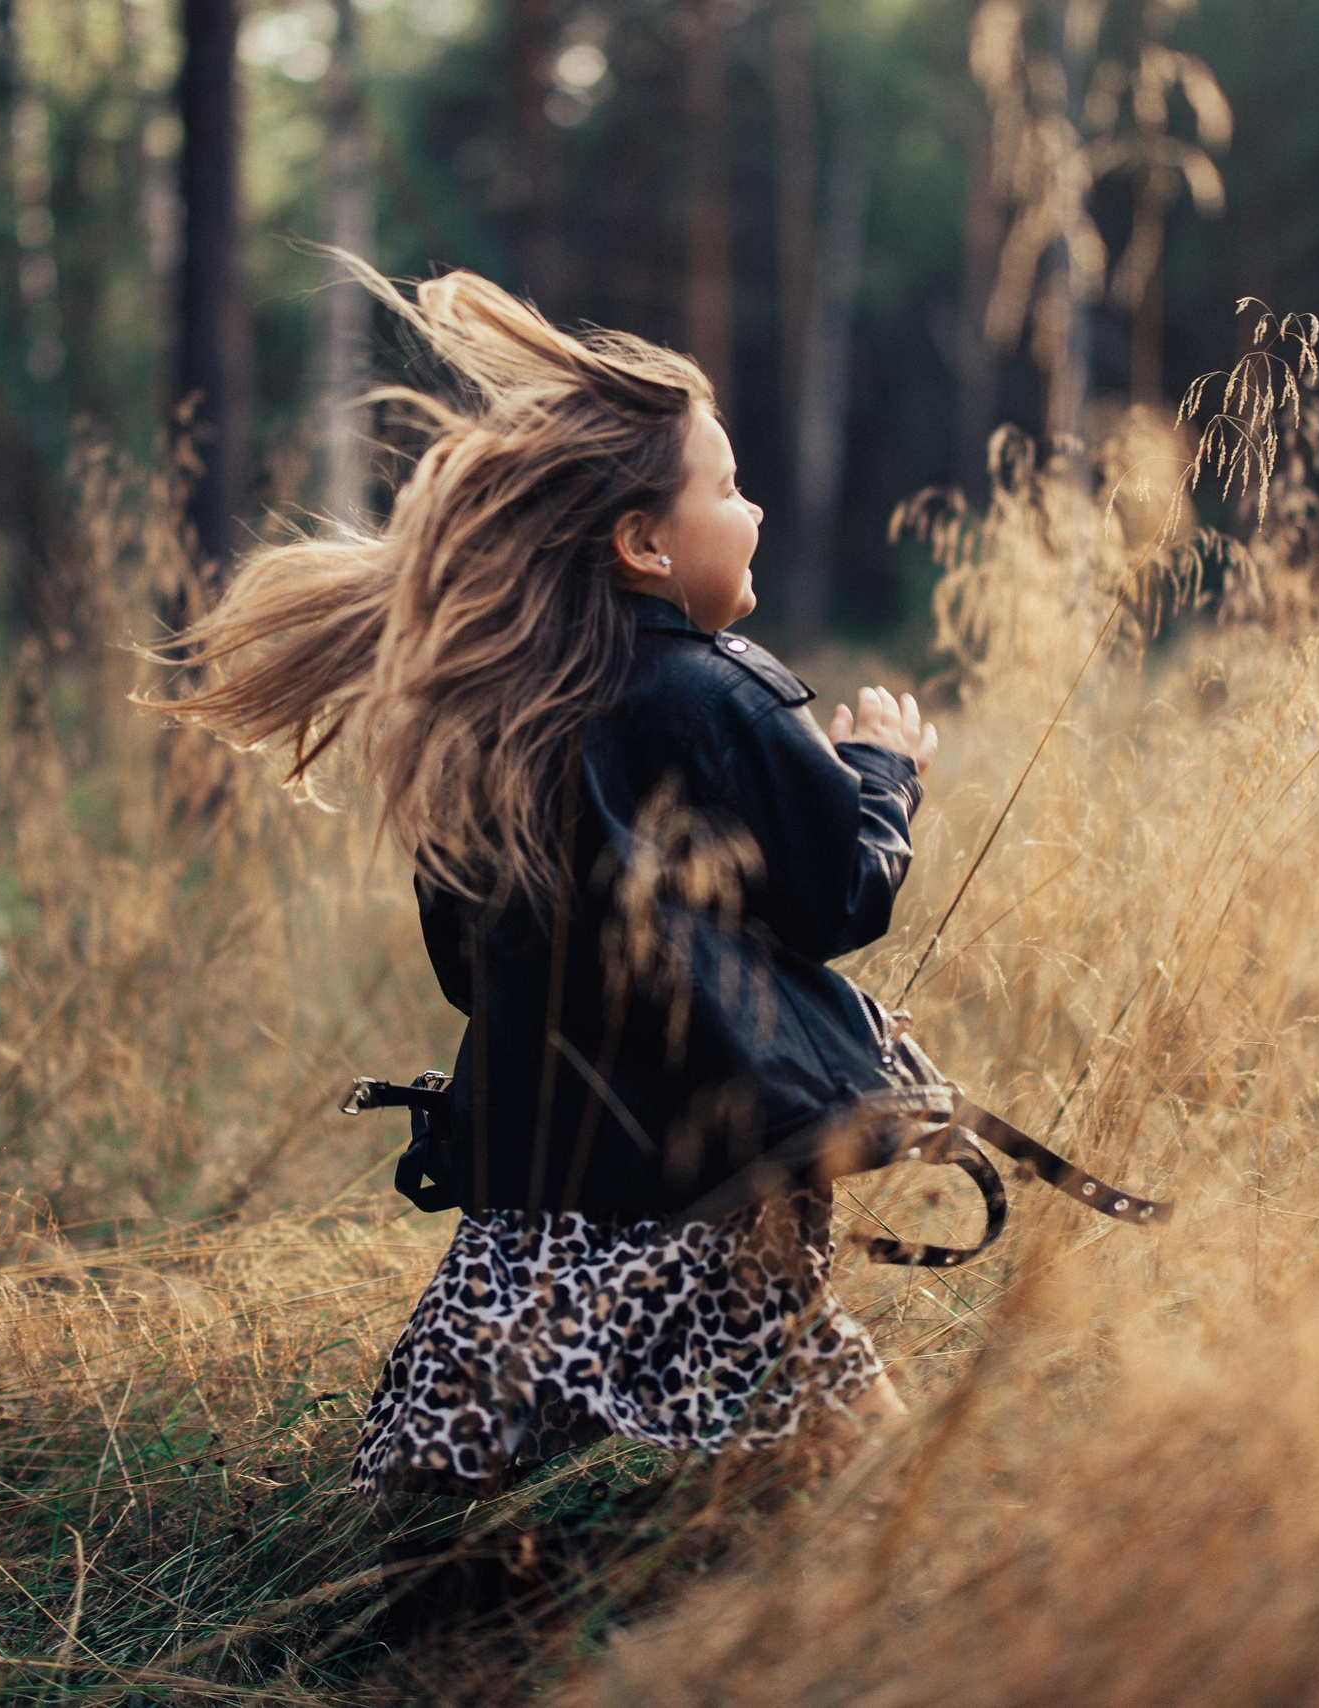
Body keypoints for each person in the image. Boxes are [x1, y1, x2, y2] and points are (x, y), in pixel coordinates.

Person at [150, 269, 940, 1499]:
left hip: (534, 1191)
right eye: (726, 490)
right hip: (707, 1169)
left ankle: (446, 1567)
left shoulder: (487, 719)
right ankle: (778, 1560)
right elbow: (839, 893)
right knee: (805, 1423)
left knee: (446, 1460)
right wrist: (883, 774)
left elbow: (467, 968)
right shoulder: (717, 691)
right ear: (641, 543)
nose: (757, 509)